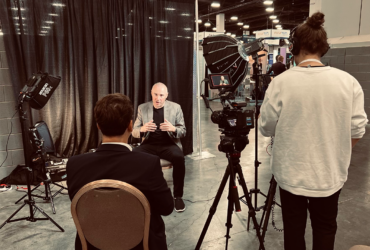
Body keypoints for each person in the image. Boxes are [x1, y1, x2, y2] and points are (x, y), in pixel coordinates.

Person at [258, 12, 367, 250]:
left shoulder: (280, 83)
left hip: (290, 176)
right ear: (323, 48)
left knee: (294, 232)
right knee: (326, 228)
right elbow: (358, 129)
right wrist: (337, 153)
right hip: (329, 176)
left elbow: (266, 128)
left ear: (294, 47)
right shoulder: (348, 82)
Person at [67, 93, 174, 250]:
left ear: (98, 126)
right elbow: (166, 208)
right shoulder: (147, 163)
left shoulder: (74, 164)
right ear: (130, 126)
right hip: (140, 245)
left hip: (94, 245)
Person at [133, 83, 186, 212]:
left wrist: (173, 129)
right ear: (151, 94)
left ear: (166, 96)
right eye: (155, 95)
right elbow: (133, 131)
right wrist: (142, 129)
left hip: (169, 144)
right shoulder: (142, 108)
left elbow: (183, 131)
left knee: (179, 158)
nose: (158, 98)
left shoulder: (175, 108)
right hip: (149, 145)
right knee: (132, 156)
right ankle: (138, 194)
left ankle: (178, 196)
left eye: (161, 95)